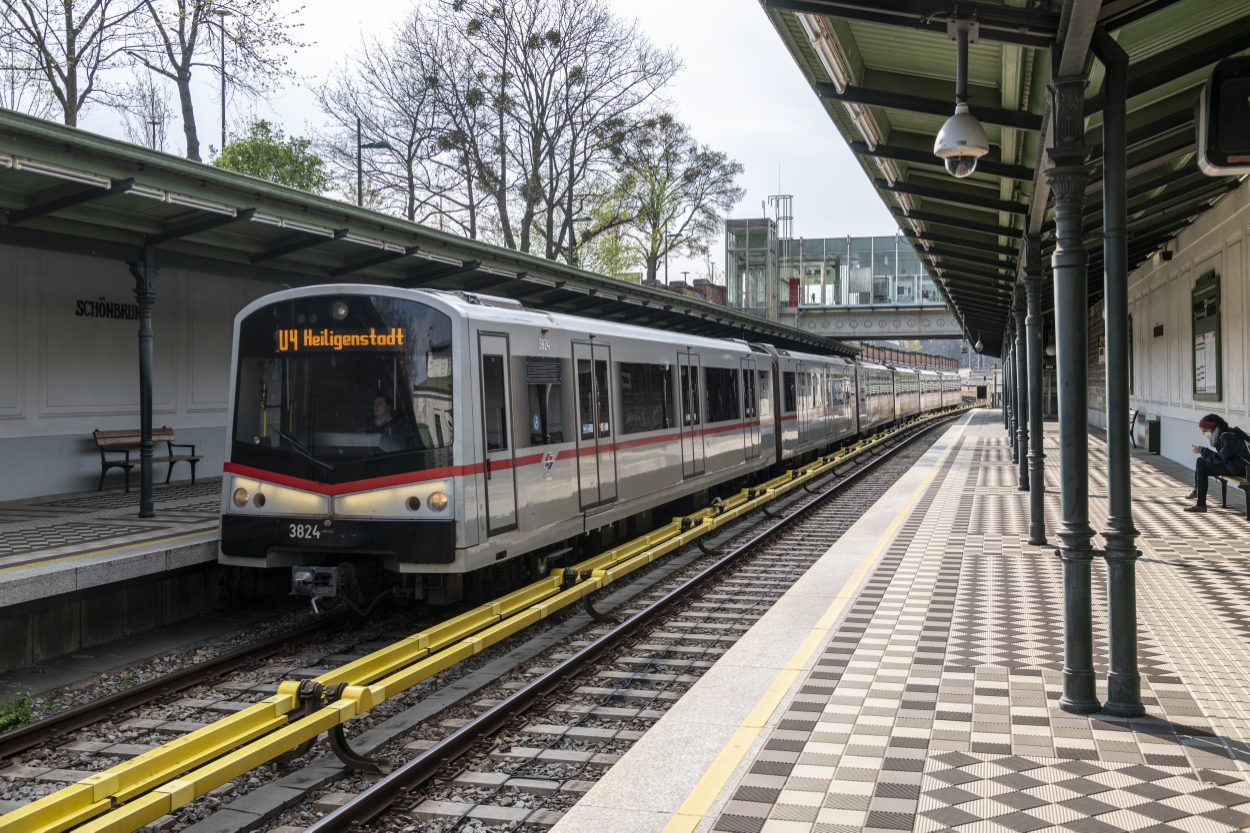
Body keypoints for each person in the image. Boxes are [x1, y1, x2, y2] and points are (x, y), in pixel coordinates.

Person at [1184, 413, 1250, 512]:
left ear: (1210, 429)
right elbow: (1224, 457)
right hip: (1238, 465)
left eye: (1204, 432)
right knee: (1202, 469)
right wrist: (1204, 452)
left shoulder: (1226, 436)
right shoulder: (1228, 432)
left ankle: (1198, 495)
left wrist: (1204, 451)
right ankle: (1200, 503)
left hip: (1242, 467)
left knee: (1201, 461)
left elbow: (1221, 459)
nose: (1204, 435)